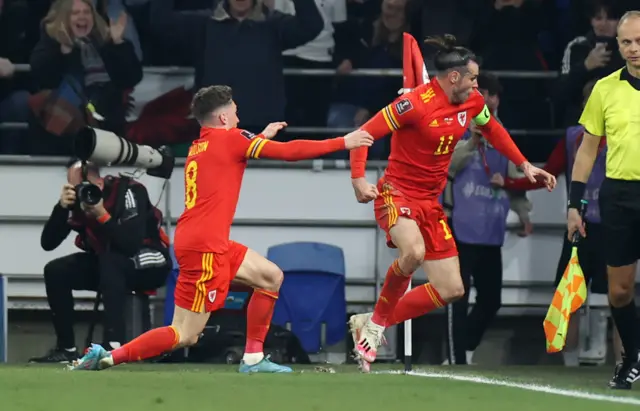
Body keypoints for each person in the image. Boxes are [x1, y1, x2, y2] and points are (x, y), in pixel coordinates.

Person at [70, 84, 373, 373]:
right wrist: (343, 142)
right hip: (206, 246)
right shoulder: (232, 138)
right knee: (184, 333)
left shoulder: (199, 145)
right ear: (224, 117)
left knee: (270, 277)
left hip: (203, 239)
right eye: (235, 112)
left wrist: (259, 137)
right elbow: (289, 151)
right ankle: (109, 357)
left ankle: (253, 358)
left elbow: (230, 154)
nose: (239, 117)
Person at [347, 34, 556, 372]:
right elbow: (363, 134)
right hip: (396, 193)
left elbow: (494, 131)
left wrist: (526, 164)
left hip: (430, 202)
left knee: (452, 288)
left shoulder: (472, 102)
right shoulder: (413, 104)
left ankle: (370, 321)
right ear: (454, 76)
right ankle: (376, 327)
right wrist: (358, 179)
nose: (478, 84)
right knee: (412, 253)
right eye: (473, 77)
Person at [505, 79, 623, 368]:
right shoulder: (574, 138)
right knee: (567, 296)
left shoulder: (629, 135)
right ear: (585, 106)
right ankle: (568, 364)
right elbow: (549, 173)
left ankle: (626, 359)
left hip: (616, 228)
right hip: (579, 229)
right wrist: (508, 182)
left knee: (621, 297)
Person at [30, 160, 171, 363]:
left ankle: (113, 344)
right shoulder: (77, 204)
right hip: (110, 263)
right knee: (56, 270)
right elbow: (48, 243)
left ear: (100, 181)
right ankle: (66, 348)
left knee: (110, 260)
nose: (84, 192)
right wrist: (61, 208)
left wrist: (102, 215)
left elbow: (130, 243)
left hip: (150, 258)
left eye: (88, 186)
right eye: (77, 188)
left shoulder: (129, 191)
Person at [567, 10, 640, 389]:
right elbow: (586, 150)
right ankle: (632, 356)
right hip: (619, 195)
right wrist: (574, 205)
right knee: (619, 290)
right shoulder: (605, 88)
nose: (633, 48)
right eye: (626, 42)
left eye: (639, 41)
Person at [441, 72, 532, 366]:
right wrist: (471, 143)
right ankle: (455, 358)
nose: (490, 100)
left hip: (491, 229)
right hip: (461, 228)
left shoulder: (503, 137)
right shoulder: (459, 130)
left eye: (494, 95)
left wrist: (523, 213)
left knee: (492, 300)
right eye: (485, 93)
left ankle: (465, 346)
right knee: (458, 296)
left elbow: (516, 175)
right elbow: (446, 169)